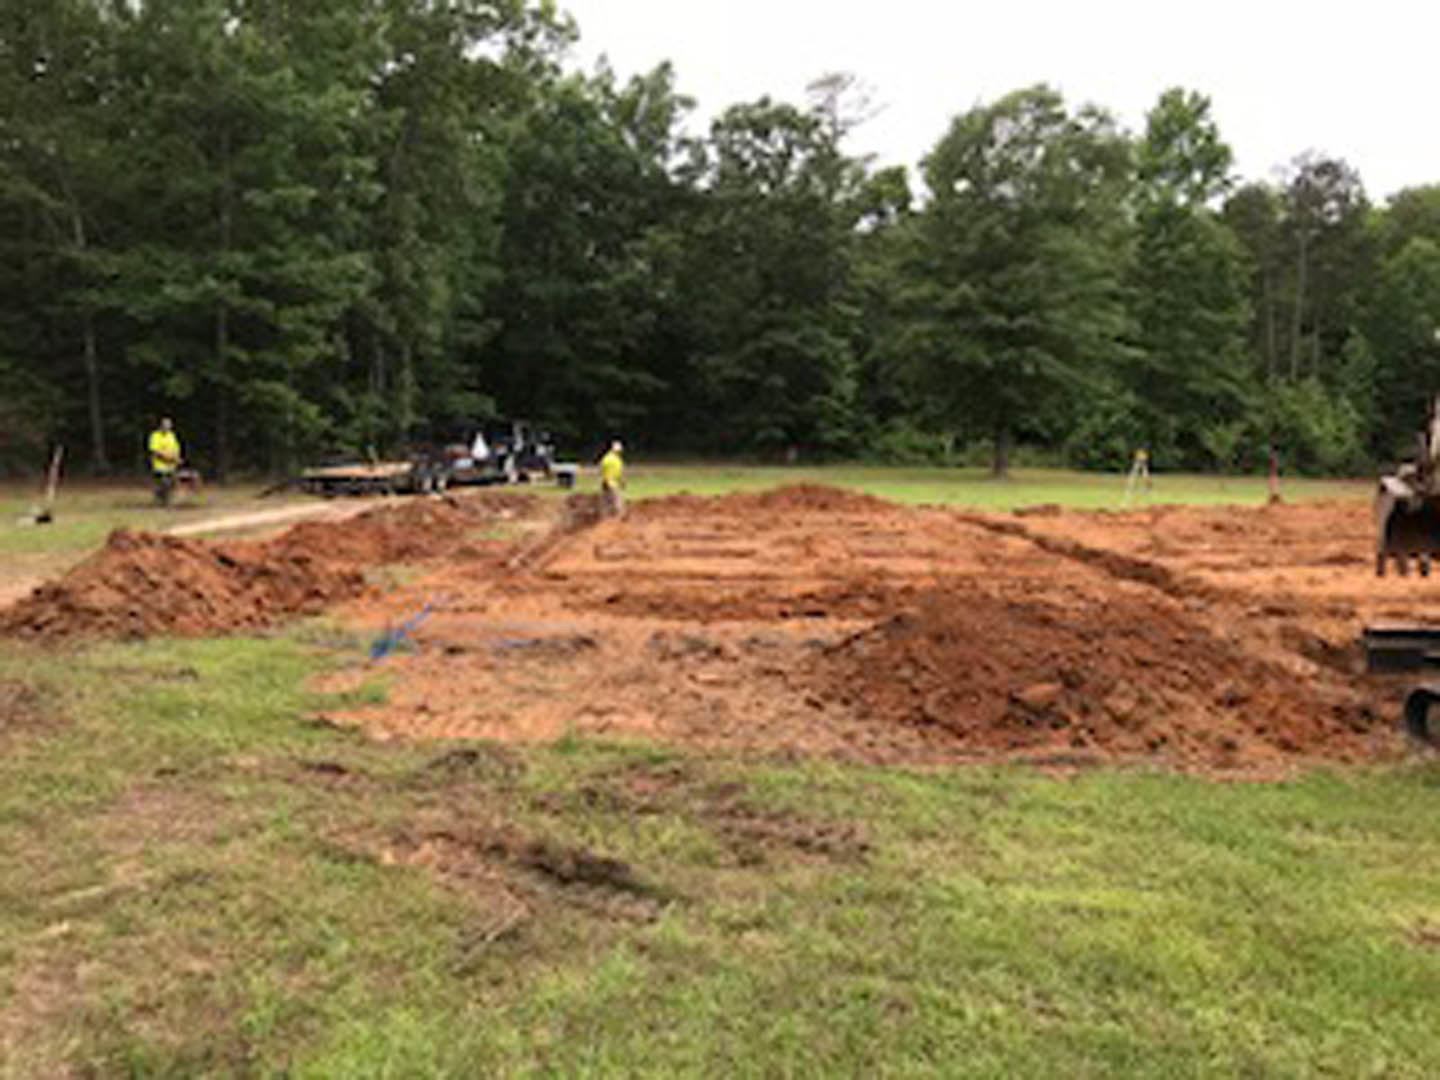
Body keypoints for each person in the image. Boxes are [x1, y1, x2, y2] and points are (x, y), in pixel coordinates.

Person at [148, 417, 182, 506]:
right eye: (165, 425)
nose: (167, 427)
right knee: (164, 482)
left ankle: (166, 499)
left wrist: (176, 458)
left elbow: (176, 448)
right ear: (161, 425)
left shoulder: (171, 436)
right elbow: (154, 451)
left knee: (172, 483)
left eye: (168, 425)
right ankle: (162, 499)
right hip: (159, 465)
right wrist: (166, 457)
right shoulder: (155, 436)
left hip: (171, 465)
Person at [599, 439, 625, 518]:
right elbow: (618, 472)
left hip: (605, 481)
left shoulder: (606, 458)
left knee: (606, 501)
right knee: (617, 500)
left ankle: (605, 517)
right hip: (612, 482)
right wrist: (621, 481)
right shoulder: (617, 460)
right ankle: (618, 517)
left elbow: (602, 470)